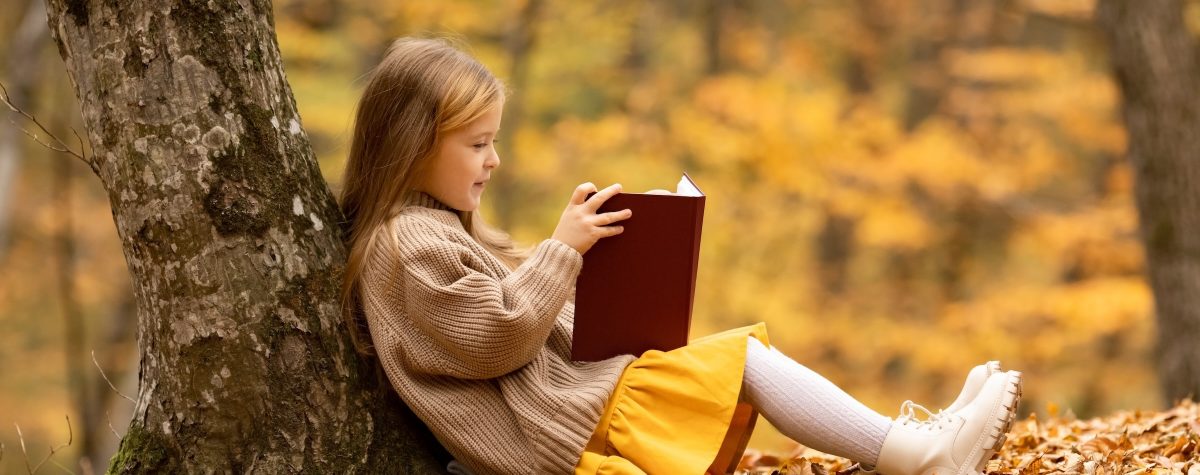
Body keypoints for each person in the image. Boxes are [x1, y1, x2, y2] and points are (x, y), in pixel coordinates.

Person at [336, 36, 1023, 475]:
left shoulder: (434, 231)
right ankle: (917, 453)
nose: (495, 159)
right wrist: (561, 251)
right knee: (745, 360)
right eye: (478, 143)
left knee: (738, 359)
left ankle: (914, 439)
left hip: (572, 411)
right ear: (414, 142)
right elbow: (497, 336)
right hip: (564, 430)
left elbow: (518, 314)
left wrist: (609, 266)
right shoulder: (407, 244)